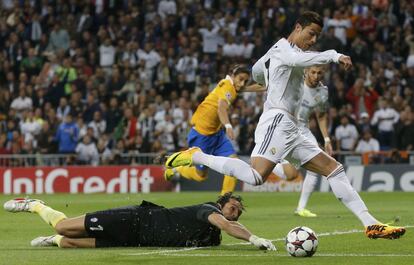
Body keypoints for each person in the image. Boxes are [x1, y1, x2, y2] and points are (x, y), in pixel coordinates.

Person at [165, 11, 405, 239]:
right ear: (297, 28)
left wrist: (264, 77)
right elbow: (290, 60)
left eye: (317, 37)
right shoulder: (283, 49)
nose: (312, 40)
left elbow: (258, 69)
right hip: (277, 121)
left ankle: (370, 224)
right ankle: (197, 156)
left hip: (293, 127)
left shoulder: (275, 52)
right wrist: (333, 54)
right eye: (310, 33)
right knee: (256, 177)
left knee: (334, 169)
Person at [3, 193, 275, 250]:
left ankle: (51, 241)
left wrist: (249, 236)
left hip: (136, 239)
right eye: (233, 206)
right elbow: (227, 226)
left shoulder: (211, 235)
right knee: (64, 225)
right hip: (133, 220)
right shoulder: (208, 210)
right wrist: (254, 239)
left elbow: (227, 229)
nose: (235, 212)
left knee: (69, 243)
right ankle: (35, 205)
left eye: (238, 211)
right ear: (222, 203)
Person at [164, 65, 265, 195]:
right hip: (201, 134)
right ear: (233, 75)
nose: (242, 83)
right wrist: (228, 125)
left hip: (217, 134)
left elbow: (249, 88)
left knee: (234, 163)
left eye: (245, 81)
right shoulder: (226, 86)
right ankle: (176, 169)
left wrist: (273, 84)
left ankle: (224, 201)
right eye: (241, 79)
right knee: (201, 176)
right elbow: (221, 108)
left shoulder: (234, 86)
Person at [272, 65, 333, 218]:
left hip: (304, 131)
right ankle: (268, 162)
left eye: (319, 72)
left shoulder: (323, 91)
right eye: (313, 72)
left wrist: (326, 139)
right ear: (306, 71)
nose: (316, 75)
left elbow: (321, 116)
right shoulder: (294, 82)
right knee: (290, 176)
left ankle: (301, 208)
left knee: (316, 166)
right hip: (285, 130)